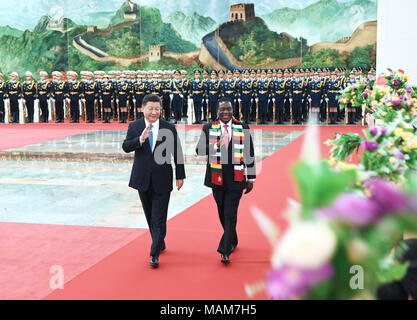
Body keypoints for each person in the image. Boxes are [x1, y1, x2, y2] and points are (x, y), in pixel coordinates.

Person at [122, 94, 186, 268]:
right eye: (150, 108)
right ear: (143, 109)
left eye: (157, 109)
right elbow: (126, 147)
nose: (154, 112)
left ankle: (154, 252)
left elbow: (177, 152)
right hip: (142, 178)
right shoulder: (135, 126)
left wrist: (180, 175)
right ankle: (159, 241)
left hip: (163, 178)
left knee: (159, 217)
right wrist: (141, 139)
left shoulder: (168, 127)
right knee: (149, 215)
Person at [196, 97, 256, 265]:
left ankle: (225, 248)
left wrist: (251, 177)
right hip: (217, 178)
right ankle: (233, 238)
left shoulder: (242, 127)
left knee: (230, 212)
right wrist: (215, 145)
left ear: (233, 111)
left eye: (228, 110)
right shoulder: (209, 128)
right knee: (222, 211)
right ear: (217, 112)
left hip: (236, 177)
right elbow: (199, 150)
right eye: (222, 110)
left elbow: (249, 152)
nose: (226, 113)